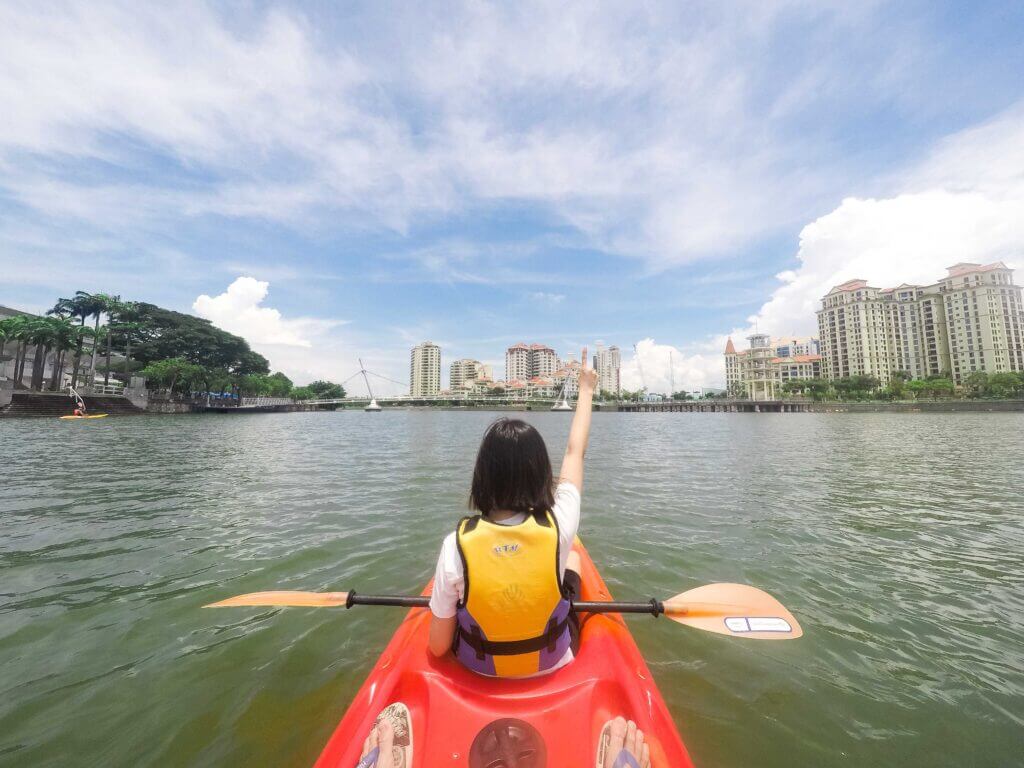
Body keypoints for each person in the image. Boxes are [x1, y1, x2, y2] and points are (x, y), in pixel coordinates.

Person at [425, 347, 597, 677]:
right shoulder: (559, 524)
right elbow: (576, 452)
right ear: (541, 473)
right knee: (572, 559)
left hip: (479, 670)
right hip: (553, 661)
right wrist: (586, 389)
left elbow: (437, 646)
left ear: (482, 476)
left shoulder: (455, 546)